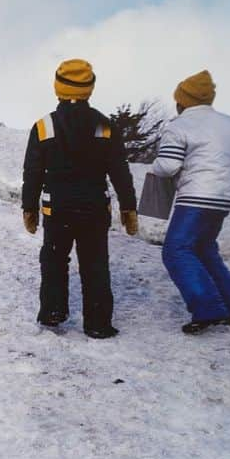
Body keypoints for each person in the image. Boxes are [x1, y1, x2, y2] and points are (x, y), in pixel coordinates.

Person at [152, 70, 230, 334]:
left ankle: (208, 308)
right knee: (204, 249)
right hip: (223, 200)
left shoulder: (179, 125)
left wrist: (157, 164)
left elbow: (167, 166)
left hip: (195, 197)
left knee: (175, 251)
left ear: (182, 101)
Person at [21, 59, 137, 339]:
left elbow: (33, 172)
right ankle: (97, 323)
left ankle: (52, 313)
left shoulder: (43, 127)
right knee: (95, 263)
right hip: (94, 209)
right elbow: (120, 170)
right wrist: (128, 206)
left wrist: (29, 208)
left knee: (53, 260)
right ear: (90, 88)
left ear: (57, 87)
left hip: (57, 209)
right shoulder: (105, 126)